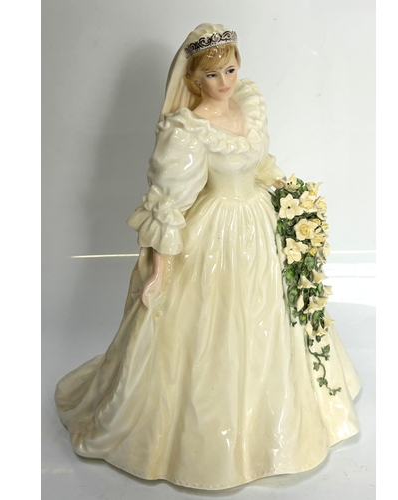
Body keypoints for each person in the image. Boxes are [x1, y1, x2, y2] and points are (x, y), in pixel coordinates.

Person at [55, 23, 361, 490]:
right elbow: (169, 205)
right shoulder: (189, 130)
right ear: (194, 80)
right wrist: (159, 272)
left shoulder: (248, 104)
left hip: (258, 224)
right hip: (216, 232)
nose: (225, 83)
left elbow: (261, 164)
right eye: (212, 76)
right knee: (212, 327)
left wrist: (291, 196)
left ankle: (275, 418)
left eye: (230, 70)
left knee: (269, 317)